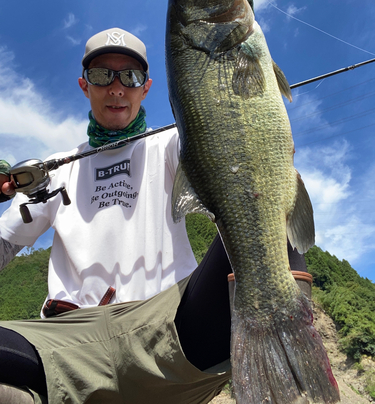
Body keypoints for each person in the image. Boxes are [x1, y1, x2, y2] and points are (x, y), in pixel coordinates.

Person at [0, 28, 309, 404]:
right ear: (85, 86)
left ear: (145, 88)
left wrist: (233, 41)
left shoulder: (174, 144)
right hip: (70, 341)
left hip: (172, 332)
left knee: (270, 214)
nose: (117, 88)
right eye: (102, 75)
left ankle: (288, 366)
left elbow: (233, 143)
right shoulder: (54, 171)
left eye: (130, 76)